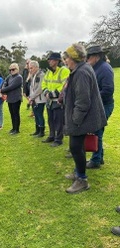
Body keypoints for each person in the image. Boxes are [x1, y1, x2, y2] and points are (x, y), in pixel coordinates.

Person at [61, 43, 107, 194]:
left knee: (75, 147)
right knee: (78, 146)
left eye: (66, 58)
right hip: (83, 117)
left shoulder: (81, 72)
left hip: (82, 118)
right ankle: (78, 172)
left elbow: (83, 101)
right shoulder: (80, 69)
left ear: (73, 58)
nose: (65, 61)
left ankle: (82, 180)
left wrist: (75, 119)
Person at [85, 44, 114, 169]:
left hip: (104, 105)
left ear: (96, 57)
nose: (86, 60)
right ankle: (99, 157)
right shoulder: (96, 67)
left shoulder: (105, 68)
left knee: (97, 131)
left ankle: (96, 160)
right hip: (99, 104)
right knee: (98, 130)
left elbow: (108, 90)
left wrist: (92, 98)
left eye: (88, 57)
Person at [41, 52, 70, 147]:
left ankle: (58, 139)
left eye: (51, 59)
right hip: (49, 101)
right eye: (49, 59)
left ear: (57, 61)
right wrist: (46, 93)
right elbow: (44, 83)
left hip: (59, 100)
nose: (49, 61)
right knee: (50, 120)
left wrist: (52, 94)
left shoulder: (64, 71)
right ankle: (52, 135)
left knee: (59, 120)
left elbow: (64, 85)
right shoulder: (48, 72)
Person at [0, 63, 23, 135]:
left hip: (16, 98)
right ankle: (13, 128)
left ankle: (17, 129)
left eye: (13, 69)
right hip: (10, 98)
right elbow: (4, 83)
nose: (11, 71)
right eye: (10, 70)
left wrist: (2, 90)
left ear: (17, 69)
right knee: (12, 114)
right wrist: (2, 88)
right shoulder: (9, 76)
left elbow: (11, 87)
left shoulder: (19, 77)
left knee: (16, 114)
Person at [27, 60, 46, 137]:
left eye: (31, 68)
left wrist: (32, 97)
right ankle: (37, 130)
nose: (30, 70)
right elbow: (32, 88)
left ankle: (41, 131)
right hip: (34, 99)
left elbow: (39, 89)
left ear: (36, 67)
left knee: (39, 114)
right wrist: (31, 97)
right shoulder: (33, 75)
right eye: (29, 68)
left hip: (40, 99)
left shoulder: (41, 75)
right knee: (36, 115)